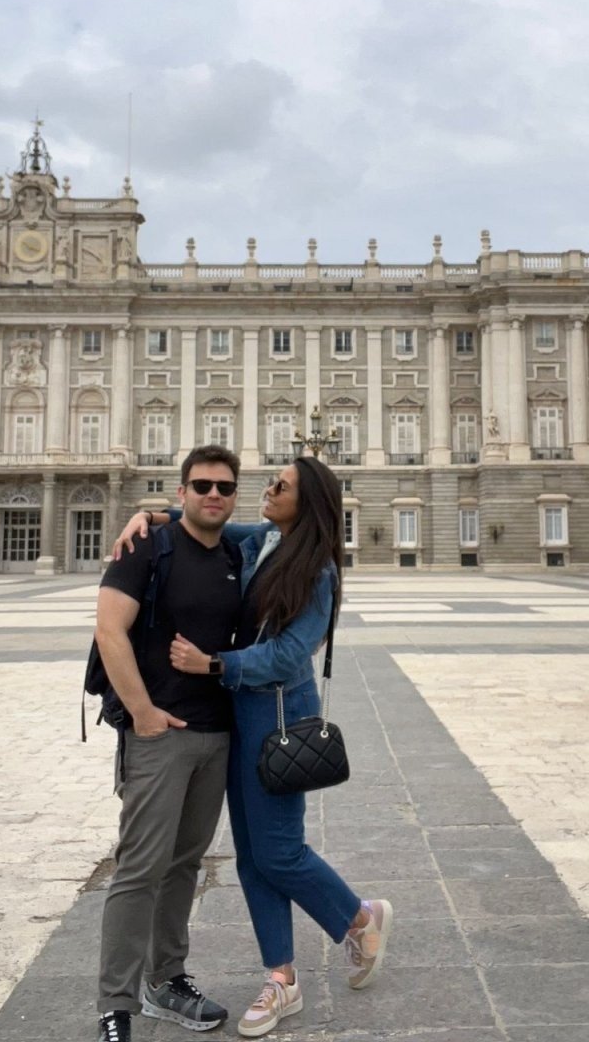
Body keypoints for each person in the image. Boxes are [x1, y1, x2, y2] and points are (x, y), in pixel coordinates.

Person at [115, 458, 393, 1038]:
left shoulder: (318, 572)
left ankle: (358, 917)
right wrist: (151, 515)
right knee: (250, 856)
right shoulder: (264, 539)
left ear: (307, 503)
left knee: (279, 851)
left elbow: (291, 654)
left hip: (279, 715)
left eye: (281, 486)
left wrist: (216, 664)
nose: (268, 489)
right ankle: (282, 977)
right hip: (238, 714)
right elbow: (205, 521)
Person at [94, 445, 244, 1042]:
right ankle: (116, 1004)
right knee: (139, 868)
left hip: (215, 734)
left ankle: (167, 979)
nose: (213, 495)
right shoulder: (145, 547)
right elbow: (110, 629)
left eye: (224, 487)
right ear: (181, 492)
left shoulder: (234, 553)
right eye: (202, 485)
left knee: (184, 864)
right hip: (158, 735)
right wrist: (142, 713)